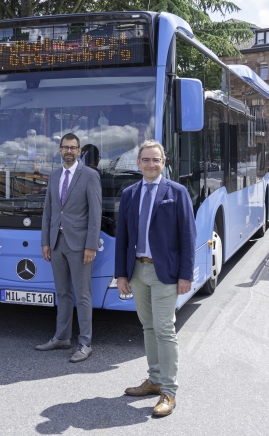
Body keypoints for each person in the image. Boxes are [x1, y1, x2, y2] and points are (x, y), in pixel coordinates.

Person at [115, 140, 196, 417]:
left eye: (156, 160)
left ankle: (169, 392)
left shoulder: (177, 192)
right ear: (138, 163)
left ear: (164, 163)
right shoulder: (128, 194)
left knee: (164, 329)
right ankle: (154, 379)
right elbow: (122, 238)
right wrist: (121, 274)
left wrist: (185, 275)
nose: (151, 164)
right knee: (148, 327)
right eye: (146, 160)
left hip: (166, 273)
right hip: (137, 271)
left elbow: (188, 236)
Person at [36, 133, 102, 363]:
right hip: (56, 244)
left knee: (82, 295)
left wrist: (91, 246)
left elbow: (95, 214)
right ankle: (62, 337)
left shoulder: (90, 176)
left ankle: (85, 343)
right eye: (65, 147)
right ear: (59, 149)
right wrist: (45, 241)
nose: (69, 151)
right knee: (62, 293)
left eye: (73, 148)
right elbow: (49, 211)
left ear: (79, 150)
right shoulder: (54, 176)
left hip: (80, 245)